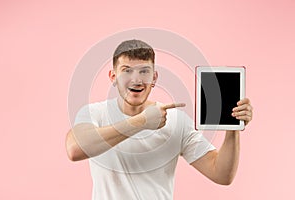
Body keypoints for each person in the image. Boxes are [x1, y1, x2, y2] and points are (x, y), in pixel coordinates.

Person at [65, 39, 253, 200]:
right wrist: (141, 122)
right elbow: (75, 149)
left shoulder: (176, 120)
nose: (136, 80)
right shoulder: (94, 113)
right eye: (127, 71)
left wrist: (233, 127)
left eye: (144, 71)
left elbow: (221, 174)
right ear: (113, 77)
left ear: (154, 77)